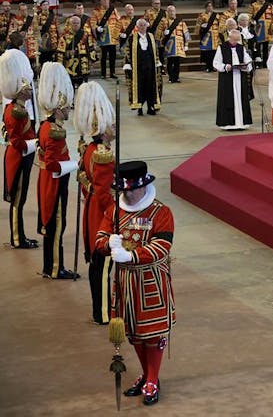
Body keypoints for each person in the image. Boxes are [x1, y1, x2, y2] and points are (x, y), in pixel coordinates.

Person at [96, 160, 175, 406]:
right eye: (123, 190)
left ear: (143, 186)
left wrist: (132, 255)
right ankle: (147, 374)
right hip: (124, 283)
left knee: (152, 333)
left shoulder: (160, 212)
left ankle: (153, 378)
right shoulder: (114, 211)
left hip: (150, 282)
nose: (127, 194)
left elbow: (162, 247)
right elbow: (99, 237)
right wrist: (109, 244)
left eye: (131, 189)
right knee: (133, 334)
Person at [73, 82, 116, 324]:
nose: (114, 126)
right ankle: (102, 312)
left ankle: (100, 308)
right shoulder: (103, 154)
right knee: (102, 266)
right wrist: (116, 215)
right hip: (102, 215)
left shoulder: (91, 148)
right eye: (111, 124)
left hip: (92, 211)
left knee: (97, 265)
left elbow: (84, 179)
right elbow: (103, 194)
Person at [35, 61, 78, 279]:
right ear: (59, 107)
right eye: (68, 105)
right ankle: (54, 268)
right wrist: (74, 165)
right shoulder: (55, 131)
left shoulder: (47, 126)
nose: (70, 108)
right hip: (54, 181)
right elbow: (52, 163)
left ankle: (49, 266)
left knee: (53, 226)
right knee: (56, 225)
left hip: (48, 180)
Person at [1, 48, 37, 249]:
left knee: (20, 198)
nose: (31, 90)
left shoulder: (18, 109)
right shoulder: (16, 111)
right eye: (28, 88)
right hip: (19, 156)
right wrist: (37, 144)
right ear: (21, 90)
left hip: (23, 155)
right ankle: (17, 237)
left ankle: (20, 235)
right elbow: (16, 141)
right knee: (18, 199)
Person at [214, 28, 253, 130]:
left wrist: (246, 66)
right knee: (228, 99)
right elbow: (216, 63)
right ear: (229, 37)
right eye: (234, 40)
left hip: (240, 78)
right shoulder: (222, 48)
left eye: (237, 40)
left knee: (241, 98)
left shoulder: (241, 48)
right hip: (227, 78)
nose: (236, 42)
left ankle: (241, 123)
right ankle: (227, 124)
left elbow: (248, 60)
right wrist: (226, 66)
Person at [123, 19, 162, 115]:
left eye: (144, 25)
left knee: (150, 86)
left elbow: (155, 50)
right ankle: (139, 108)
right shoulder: (132, 38)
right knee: (140, 87)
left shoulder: (151, 37)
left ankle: (150, 107)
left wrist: (157, 62)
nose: (143, 27)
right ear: (137, 27)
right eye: (141, 25)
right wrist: (128, 64)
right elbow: (127, 51)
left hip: (150, 66)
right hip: (138, 67)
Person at [56, 15, 97, 87]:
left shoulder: (86, 35)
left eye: (77, 23)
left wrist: (92, 60)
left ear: (80, 24)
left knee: (83, 87)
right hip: (70, 66)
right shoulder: (64, 37)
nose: (76, 25)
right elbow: (60, 52)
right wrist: (68, 53)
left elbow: (91, 47)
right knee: (70, 87)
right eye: (74, 23)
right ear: (70, 24)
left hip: (83, 63)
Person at [93, 0, 120, 79]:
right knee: (103, 57)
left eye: (107, 0)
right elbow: (93, 23)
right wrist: (97, 28)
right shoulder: (96, 11)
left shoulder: (113, 10)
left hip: (113, 36)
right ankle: (103, 73)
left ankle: (113, 73)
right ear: (101, 1)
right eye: (104, 0)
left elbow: (119, 20)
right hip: (103, 36)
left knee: (113, 56)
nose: (106, 1)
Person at [161, 5, 190, 84]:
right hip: (169, 44)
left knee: (177, 62)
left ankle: (176, 77)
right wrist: (164, 34)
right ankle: (171, 77)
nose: (172, 12)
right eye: (170, 11)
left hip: (179, 44)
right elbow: (159, 34)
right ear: (167, 12)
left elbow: (186, 34)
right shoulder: (164, 22)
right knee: (170, 61)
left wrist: (186, 44)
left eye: (173, 10)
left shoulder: (181, 21)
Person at [249, 0, 273, 67]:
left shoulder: (269, 5)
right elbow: (249, 16)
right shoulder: (253, 5)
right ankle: (258, 64)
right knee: (257, 47)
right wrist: (252, 21)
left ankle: (265, 64)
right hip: (258, 29)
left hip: (267, 29)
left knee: (266, 47)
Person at [198, 1, 221, 72]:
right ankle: (208, 66)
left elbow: (220, 24)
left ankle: (214, 66)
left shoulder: (217, 15)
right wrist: (202, 26)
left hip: (215, 35)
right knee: (207, 52)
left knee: (214, 52)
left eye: (211, 6)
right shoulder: (202, 15)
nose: (209, 7)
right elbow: (198, 26)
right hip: (206, 36)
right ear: (206, 7)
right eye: (208, 6)